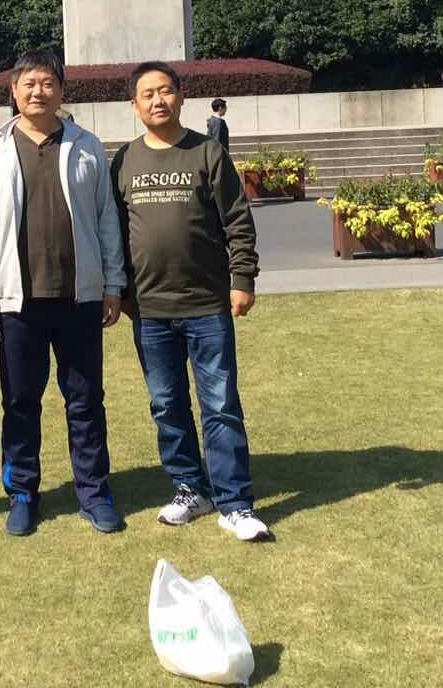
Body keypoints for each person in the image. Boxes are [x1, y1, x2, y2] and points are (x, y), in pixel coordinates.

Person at [0, 52, 128, 537]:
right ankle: (22, 493)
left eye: (48, 83)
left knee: (85, 401)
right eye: (30, 83)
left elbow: (106, 218)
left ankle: (94, 493)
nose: (39, 91)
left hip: (79, 297)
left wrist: (113, 283)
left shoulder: (86, 145)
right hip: (18, 301)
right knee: (20, 402)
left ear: (61, 90)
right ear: (14, 90)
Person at [112, 62, 271, 541]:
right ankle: (189, 488)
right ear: (134, 105)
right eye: (147, 94)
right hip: (149, 311)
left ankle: (234, 503)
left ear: (180, 97)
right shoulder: (124, 160)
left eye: (165, 91)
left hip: (207, 305)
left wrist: (242, 278)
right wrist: (119, 291)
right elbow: (113, 233)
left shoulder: (207, 152)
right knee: (167, 405)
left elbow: (237, 220)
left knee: (220, 405)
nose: (157, 100)